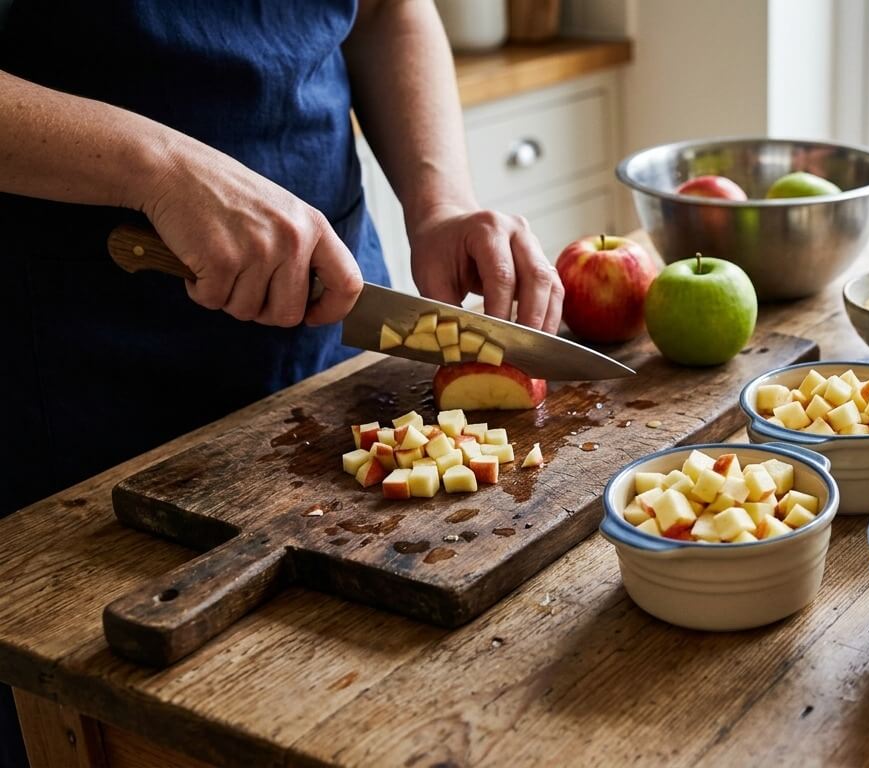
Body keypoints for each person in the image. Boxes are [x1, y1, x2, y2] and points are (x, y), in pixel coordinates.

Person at [0, 3, 563, 763]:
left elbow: (390, 10)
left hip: (332, 316)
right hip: (73, 367)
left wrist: (442, 201)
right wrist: (159, 166)